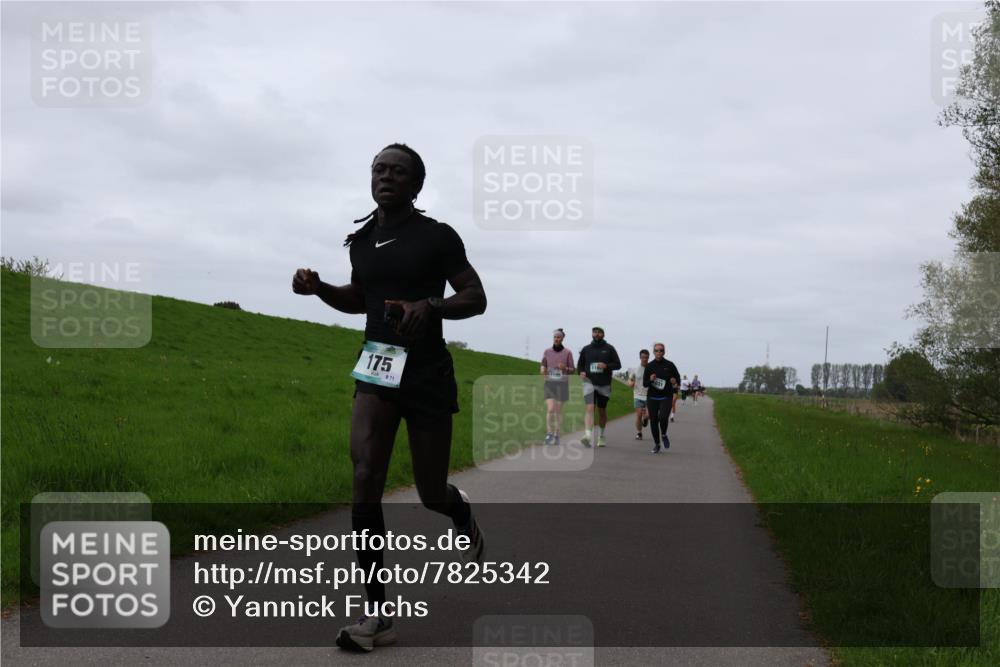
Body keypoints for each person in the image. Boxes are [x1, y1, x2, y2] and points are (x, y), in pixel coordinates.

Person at [292, 143, 487, 653]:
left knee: (428, 492)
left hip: (426, 372)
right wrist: (319, 289)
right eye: (379, 168)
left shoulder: (437, 237)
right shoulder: (362, 240)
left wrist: (431, 306)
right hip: (377, 366)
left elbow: (476, 296)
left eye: (398, 171)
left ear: (416, 185)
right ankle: (377, 613)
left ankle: (459, 510)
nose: (386, 176)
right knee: (365, 478)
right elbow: (361, 298)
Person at [576, 327, 621, 447]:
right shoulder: (586, 349)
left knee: (602, 411)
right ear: (592, 334)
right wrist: (581, 372)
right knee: (589, 408)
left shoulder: (609, 348)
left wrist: (606, 366)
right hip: (589, 383)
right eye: (594, 332)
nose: (596, 334)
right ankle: (587, 435)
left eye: (599, 332)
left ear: (603, 334)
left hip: (604, 385)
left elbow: (618, 365)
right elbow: (580, 364)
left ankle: (601, 436)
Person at [642, 343, 680, 453]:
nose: (659, 352)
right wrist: (651, 380)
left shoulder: (670, 365)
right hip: (652, 397)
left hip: (666, 396)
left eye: (661, 350)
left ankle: (663, 434)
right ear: (653, 352)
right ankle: (657, 444)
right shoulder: (649, 366)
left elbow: (678, 379)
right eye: (657, 350)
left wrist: (674, 381)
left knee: (663, 417)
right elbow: (645, 384)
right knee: (653, 420)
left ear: (664, 352)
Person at [540, 328, 574, 445]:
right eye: (555, 337)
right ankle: (549, 434)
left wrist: (565, 368)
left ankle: (557, 434)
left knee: (558, 412)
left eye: (558, 337)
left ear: (562, 338)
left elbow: (572, 370)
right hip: (550, 384)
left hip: (562, 385)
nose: (556, 339)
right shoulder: (547, 352)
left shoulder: (568, 352)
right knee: (550, 409)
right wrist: (543, 370)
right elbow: (543, 365)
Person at [628, 349, 650, 440]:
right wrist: (630, 383)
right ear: (640, 358)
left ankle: (646, 418)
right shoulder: (635, 370)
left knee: (648, 415)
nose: (644, 359)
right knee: (639, 414)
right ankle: (639, 433)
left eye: (646, 357)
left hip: (649, 395)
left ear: (648, 358)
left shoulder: (651, 369)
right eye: (643, 357)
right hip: (638, 395)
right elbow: (630, 380)